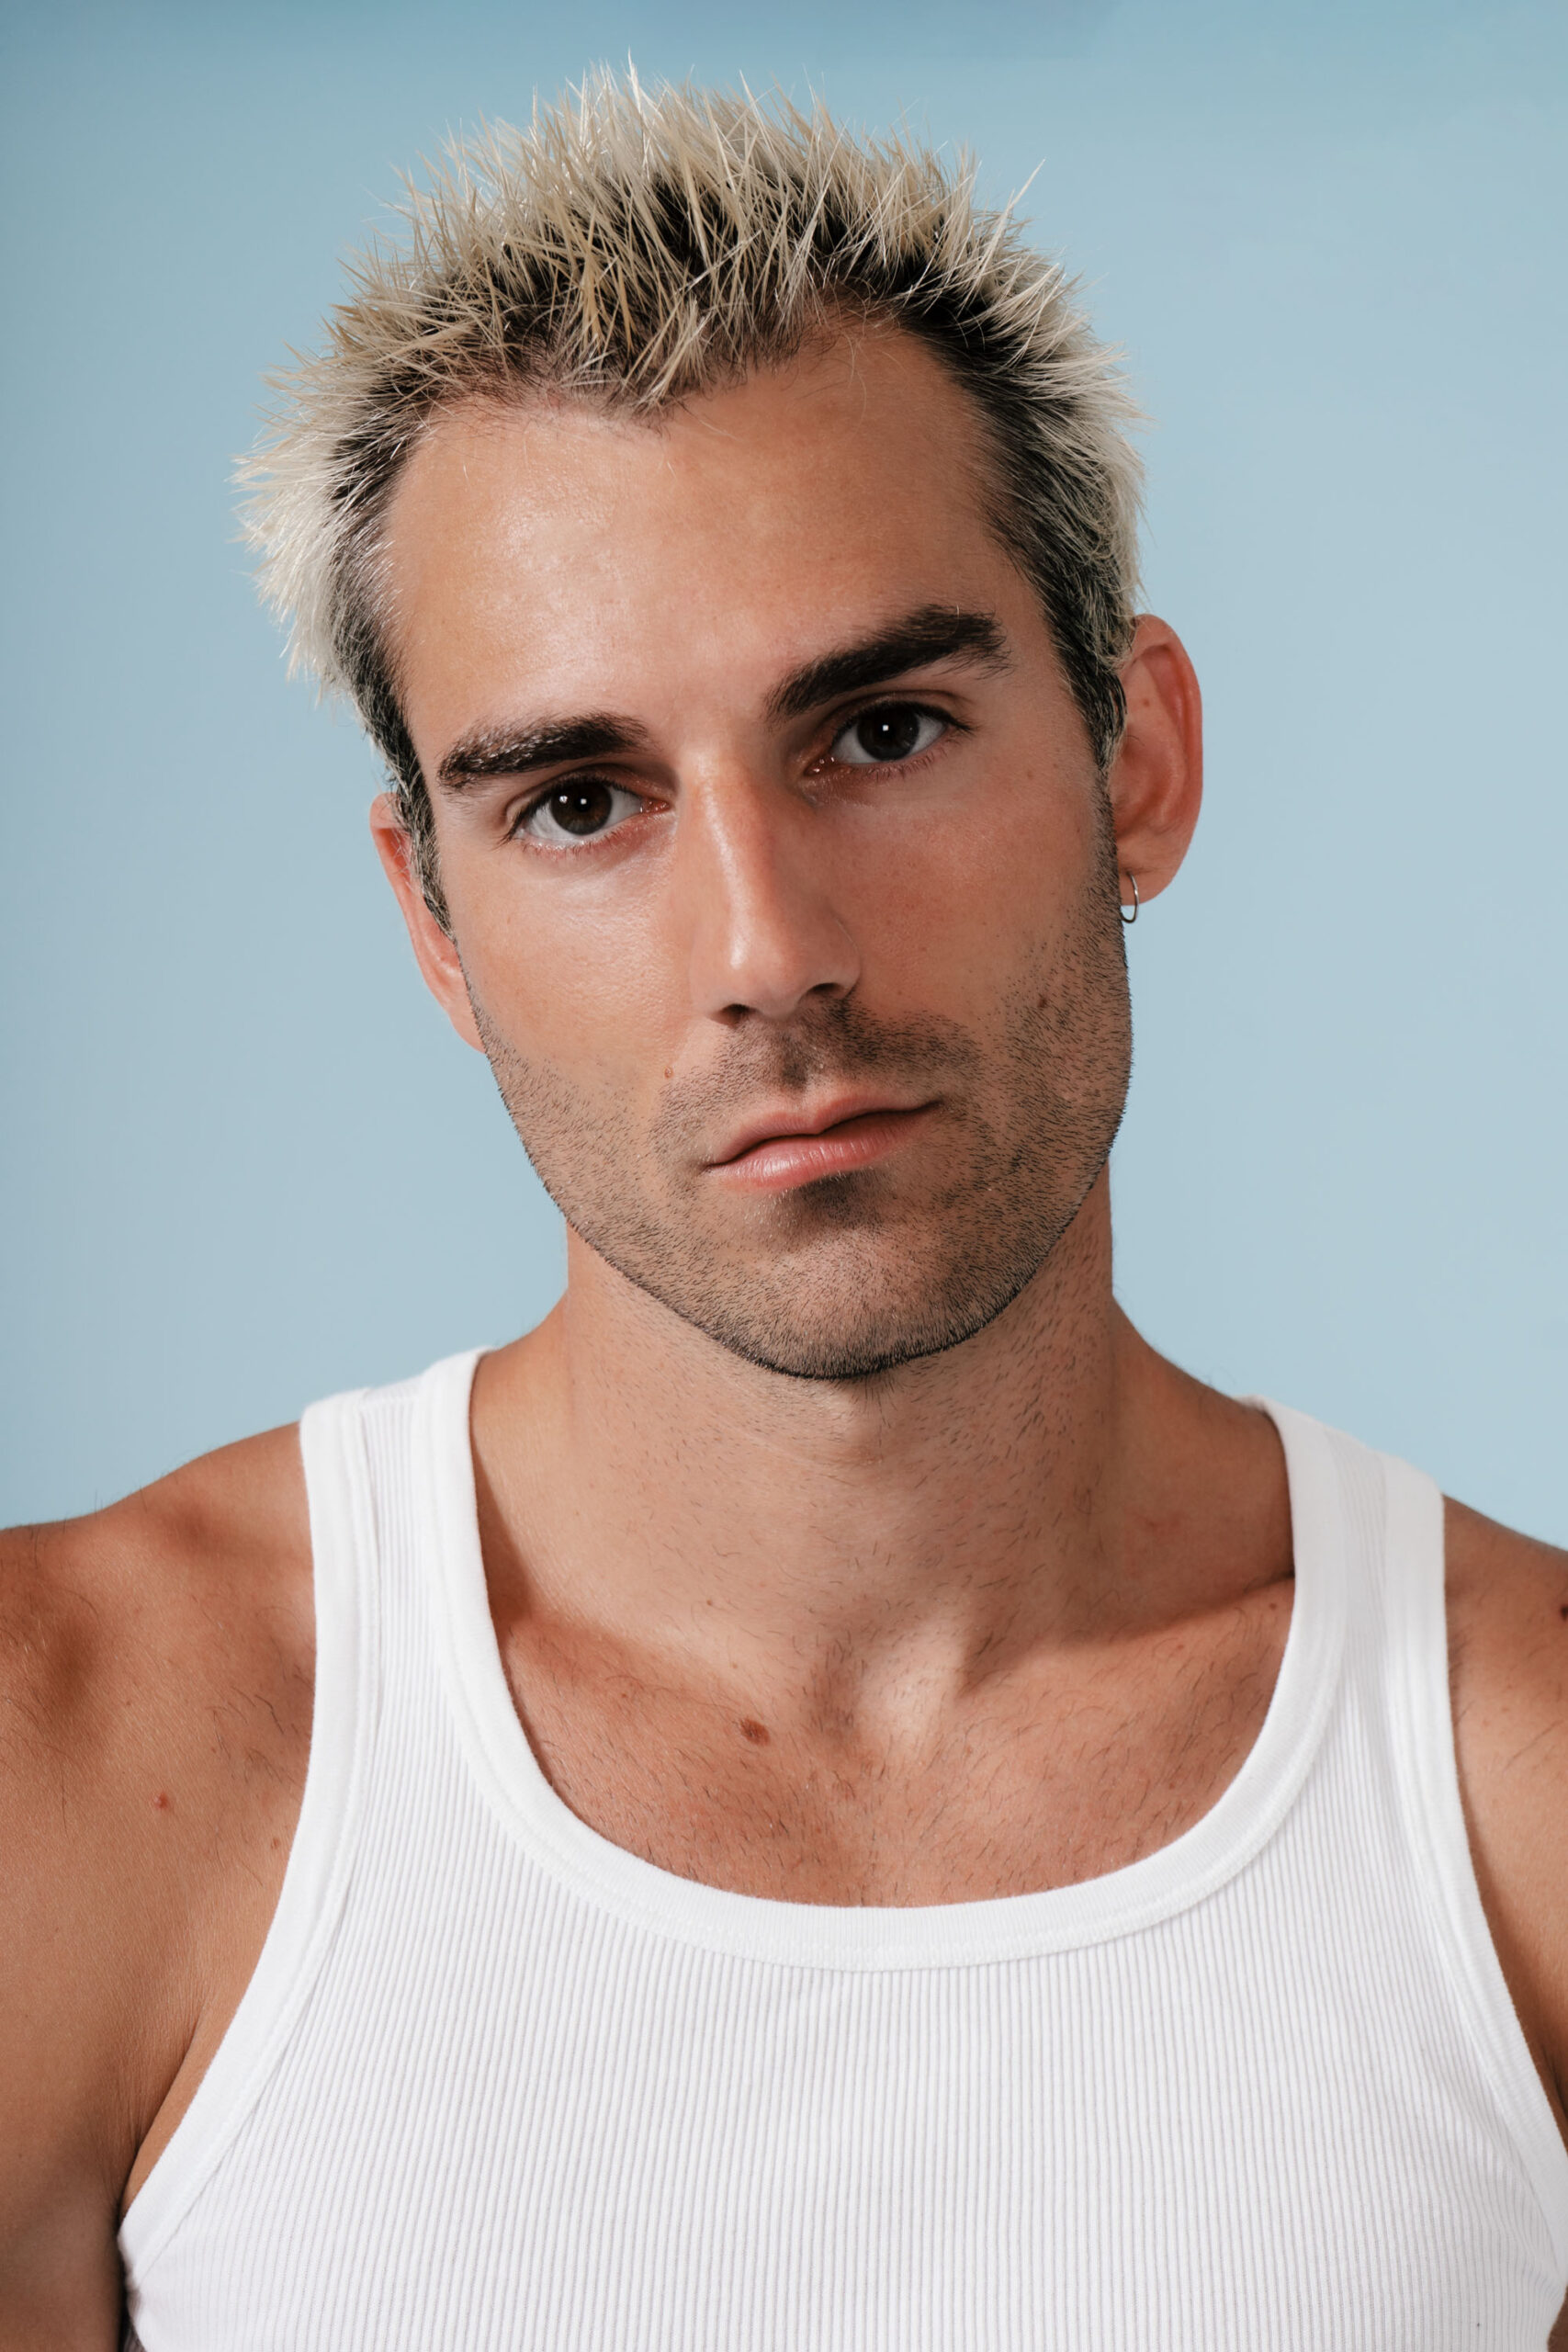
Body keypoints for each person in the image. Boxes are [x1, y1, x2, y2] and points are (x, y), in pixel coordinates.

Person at [3, 74, 1565, 2351]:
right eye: (576, 798)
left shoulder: (1514, 1781)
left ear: (1135, 758)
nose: (765, 943)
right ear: (428, 921)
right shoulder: (75, 1760)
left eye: (882, 732)